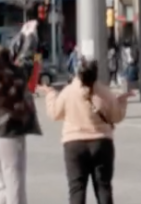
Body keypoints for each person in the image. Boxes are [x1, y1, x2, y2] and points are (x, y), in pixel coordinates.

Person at [42, 58, 129, 204]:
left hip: (74, 144)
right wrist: (122, 102)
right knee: (103, 188)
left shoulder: (68, 92)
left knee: (77, 189)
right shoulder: (104, 92)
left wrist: (50, 94)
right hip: (102, 143)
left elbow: (54, 113)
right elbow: (117, 116)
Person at [0, 45, 41, 204]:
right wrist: (29, 39)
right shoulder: (13, 76)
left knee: (3, 186)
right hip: (9, 138)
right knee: (15, 188)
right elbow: (26, 65)